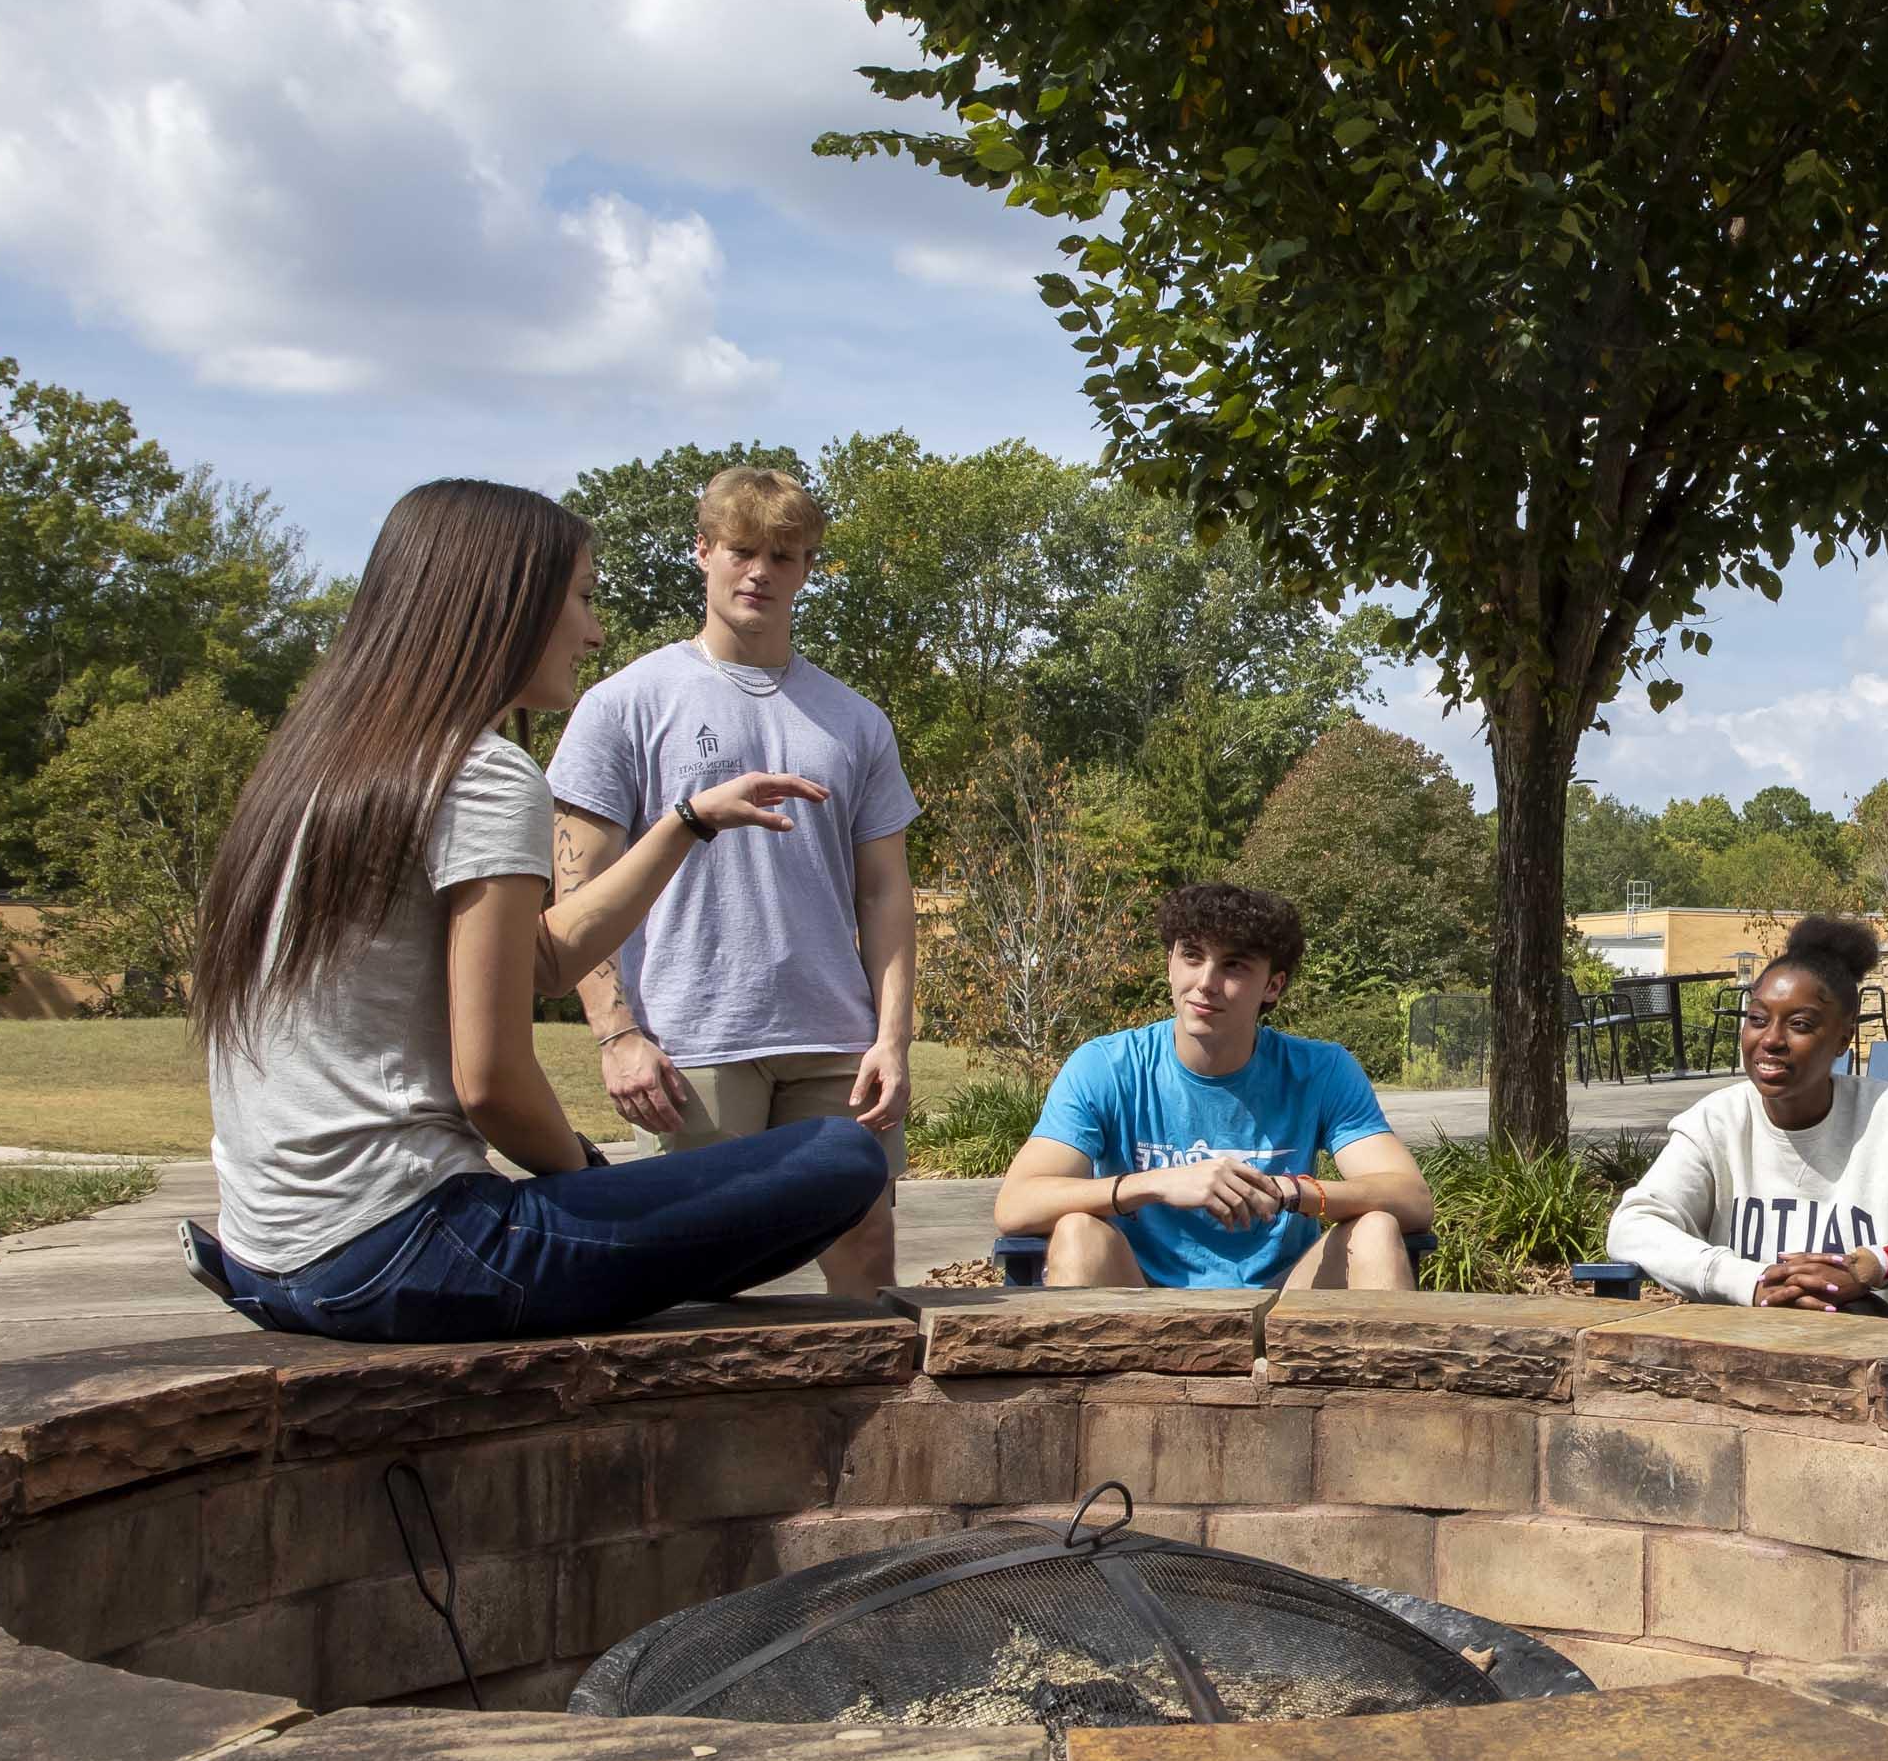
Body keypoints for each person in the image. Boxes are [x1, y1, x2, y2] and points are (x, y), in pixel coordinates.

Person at [188, 479, 892, 1343]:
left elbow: (545, 960)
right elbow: (491, 1084)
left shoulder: (320, 764)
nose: (594, 631)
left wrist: (687, 822)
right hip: (401, 1248)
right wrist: (581, 1177)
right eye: (585, 598)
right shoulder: (481, 775)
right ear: (507, 602)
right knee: (840, 1160)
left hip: (270, 1258)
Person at [546, 467, 918, 1300]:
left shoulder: (855, 719)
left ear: (808, 567)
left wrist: (891, 1039)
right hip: (691, 1041)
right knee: (694, 1279)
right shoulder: (625, 703)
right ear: (703, 551)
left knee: (864, 1244)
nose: (761, 572)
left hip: (835, 1039)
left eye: (785, 555)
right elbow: (578, 884)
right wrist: (616, 1033)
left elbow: (886, 894)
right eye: (742, 550)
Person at [994, 882, 1434, 1289]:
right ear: (1169, 965)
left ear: (1273, 986)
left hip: (1284, 1302)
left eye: (1233, 966)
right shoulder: (1107, 1066)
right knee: (1077, 1232)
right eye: (1192, 956)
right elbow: (1016, 1205)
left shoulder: (1323, 1070)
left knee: (1376, 1230)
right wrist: (1157, 1184)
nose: (1205, 983)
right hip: (1136, 1302)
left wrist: (1292, 1192)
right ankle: (1089, 1378)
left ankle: (1376, 1374)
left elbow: (1411, 1199)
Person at [1603, 915, 1888, 1313]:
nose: (1772, 1040)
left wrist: (1876, 1267)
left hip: (1871, 1347)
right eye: (1757, 1019)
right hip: (1738, 1350)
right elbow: (1634, 1224)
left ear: (1842, 1039)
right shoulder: (1717, 1123)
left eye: (1799, 1024)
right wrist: (1748, 1280)